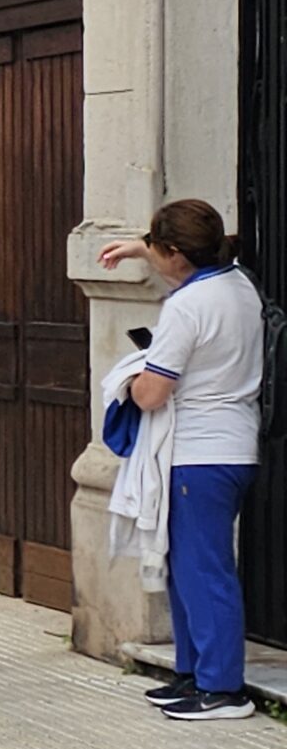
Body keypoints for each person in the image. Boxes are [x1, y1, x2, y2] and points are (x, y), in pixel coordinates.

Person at [103, 202, 268, 719]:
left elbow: (153, 393)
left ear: (174, 254)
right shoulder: (240, 284)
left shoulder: (187, 305)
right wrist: (141, 247)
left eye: (155, 247)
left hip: (199, 453)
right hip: (229, 446)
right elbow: (193, 256)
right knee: (189, 566)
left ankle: (223, 688)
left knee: (203, 569)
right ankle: (194, 673)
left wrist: (130, 378)